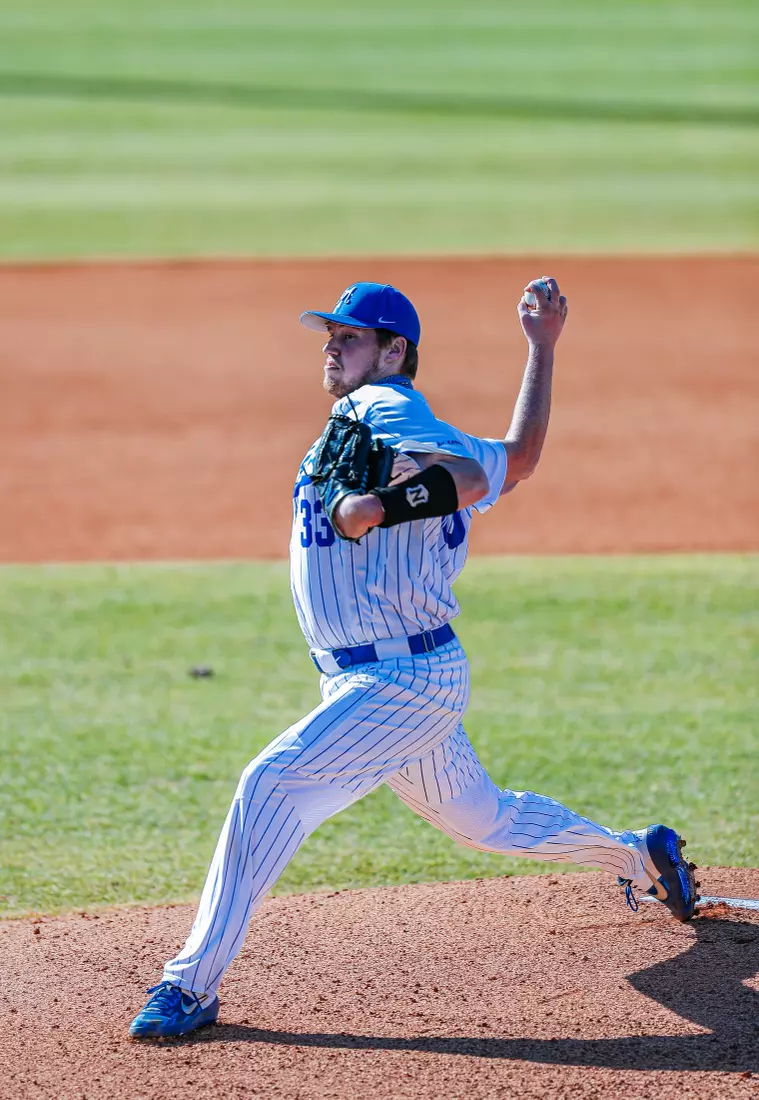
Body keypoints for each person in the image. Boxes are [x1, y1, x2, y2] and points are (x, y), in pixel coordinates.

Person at [129, 277, 698, 1039]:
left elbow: (457, 484)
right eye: (329, 333)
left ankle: (190, 985)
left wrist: (379, 506)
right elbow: (516, 460)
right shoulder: (383, 422)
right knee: (483, 818)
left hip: (397, 679)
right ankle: (637, 855)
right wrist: (542, 348)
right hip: (397, 678)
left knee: (269, 787)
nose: (332, 344)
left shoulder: (381, 406)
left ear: (394, 352)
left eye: (351, 336)